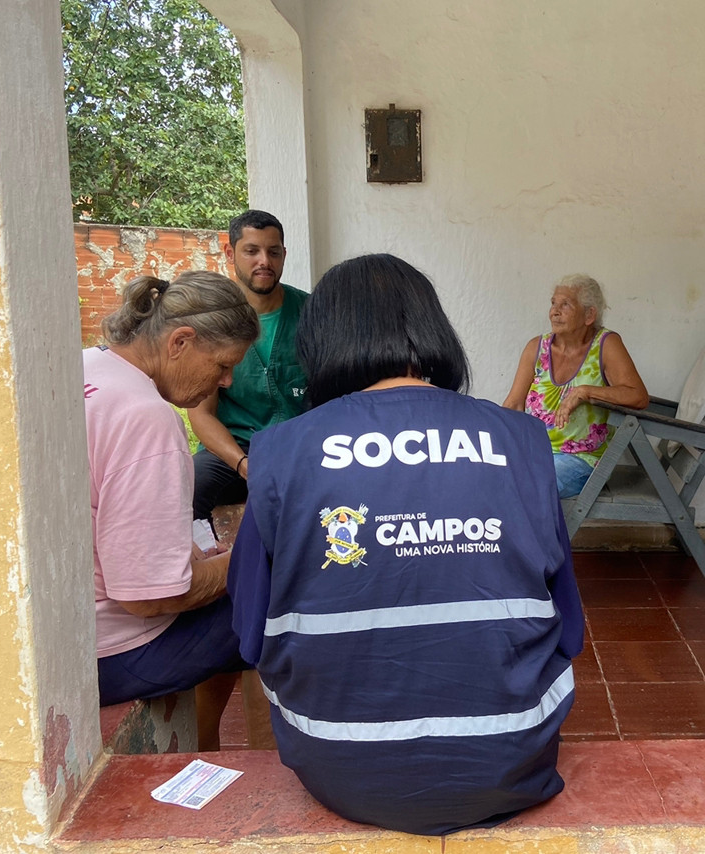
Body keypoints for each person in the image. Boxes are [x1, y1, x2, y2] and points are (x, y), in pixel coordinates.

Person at [228, 254, 584, 835]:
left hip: (340, 764)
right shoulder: (521, 439)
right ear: (433, 328)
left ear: (323, 339)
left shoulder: (281, 451)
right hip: (507, 758)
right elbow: (569, 628)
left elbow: (248, 633)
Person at [85, 272, 261, 748]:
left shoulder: (86, 369)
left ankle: (208, 742)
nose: (223, 382)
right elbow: (147, 600)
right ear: (181, 341)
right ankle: (273, 770)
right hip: (109, 654)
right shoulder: (147, 417)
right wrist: (248, 559)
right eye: (222, 366)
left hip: (65, 637)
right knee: (278, 594)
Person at [189, 209, 308, 522]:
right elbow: (201, 414)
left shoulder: (313, 314)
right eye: (252, 251)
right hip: (234, 452)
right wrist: (243, 464)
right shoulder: (211, 320)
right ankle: (199, 565)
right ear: (230, 252)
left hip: (300, 449)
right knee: (189, 483)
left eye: (273, 252)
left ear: (284, 254)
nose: (264, 262)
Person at [502, 274, 649, 498]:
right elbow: (514, 403)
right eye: (553, 303)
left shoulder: (606, 345)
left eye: (566, 305)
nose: (554, 311)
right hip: (532, 453)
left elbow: (638, 396)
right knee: (487, 479)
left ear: (589, 315)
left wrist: (584, 391)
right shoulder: (537, 348)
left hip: (581, 459)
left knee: (527, 490)